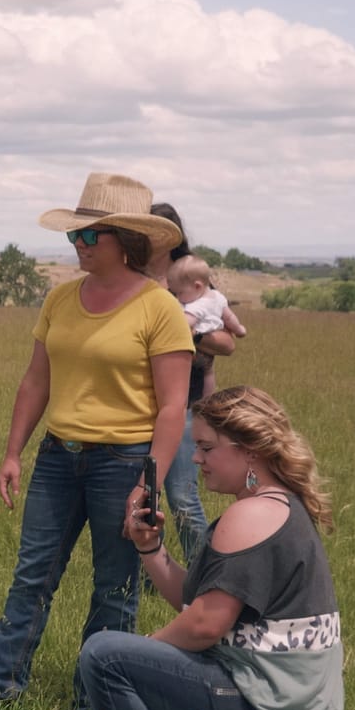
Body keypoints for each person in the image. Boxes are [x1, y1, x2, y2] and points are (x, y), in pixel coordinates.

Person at [0, 173, 191, 710]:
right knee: (31, 577)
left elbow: (172, 407)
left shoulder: (160, 309)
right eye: (75, 237)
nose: (79, 246)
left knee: (115, 589)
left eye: (91, 236)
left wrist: (150, 480)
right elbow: (35, 381)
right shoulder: (61, 298)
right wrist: (14, 451)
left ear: (127, 241)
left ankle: (94, 706)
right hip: (57, 458)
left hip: (125, 463)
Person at [63, 385, 343, 710]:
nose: (196, 460)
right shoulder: (281, 507)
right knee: (135, 666)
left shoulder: (249, 517)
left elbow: (204, 625)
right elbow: (196, 603)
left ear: (249, 450)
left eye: (207, 447)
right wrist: (151, 549)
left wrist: (137, 657)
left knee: (103, 654)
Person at [147, 203, 240, 562]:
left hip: (186, 402)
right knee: (143, 496)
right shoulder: (132, 276)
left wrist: (184, 333)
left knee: (183, 497)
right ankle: (146, 574)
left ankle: (205, 574)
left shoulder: (190, 276)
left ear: (174, 236)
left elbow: (227, 342)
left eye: (158, 231)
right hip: (141, 403)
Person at [166, 255, 247, 340]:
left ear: (197, 286)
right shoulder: (218, 297)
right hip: (213, 341)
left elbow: (184, 323)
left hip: (194, 343)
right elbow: (229, 317)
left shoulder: (195, 306)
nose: (178, 297)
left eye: (180, 293)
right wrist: (239, 329)